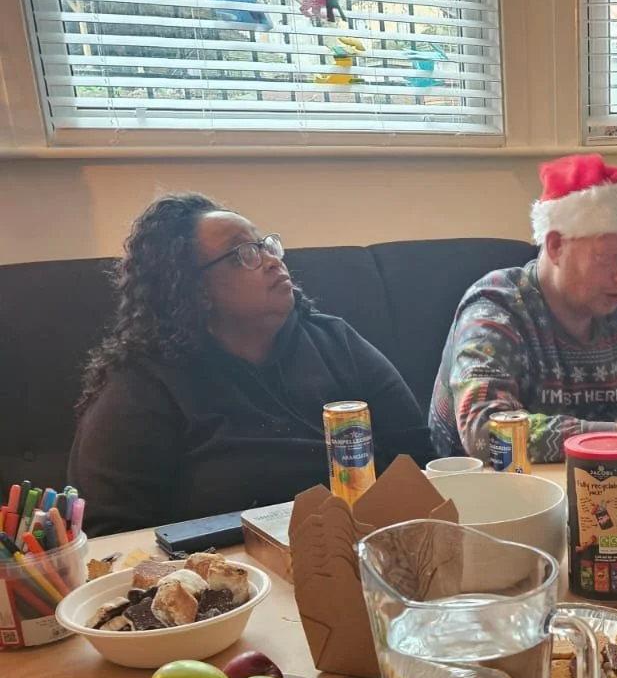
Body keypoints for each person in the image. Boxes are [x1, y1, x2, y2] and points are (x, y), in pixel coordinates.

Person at [70, 194, 433, 534]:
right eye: (243, 254)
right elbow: (110, 536)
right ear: (192, 289)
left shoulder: (335, 342)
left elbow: (419, 460)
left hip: (369, 547)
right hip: (223, 573)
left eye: (265, 246)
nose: (273, 261)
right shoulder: (141, 385)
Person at [428, 154, 617, 462]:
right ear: (556, 246)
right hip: (494, 489)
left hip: (606, 483)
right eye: (608, 258)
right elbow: (485, 431)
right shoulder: (494, 310)